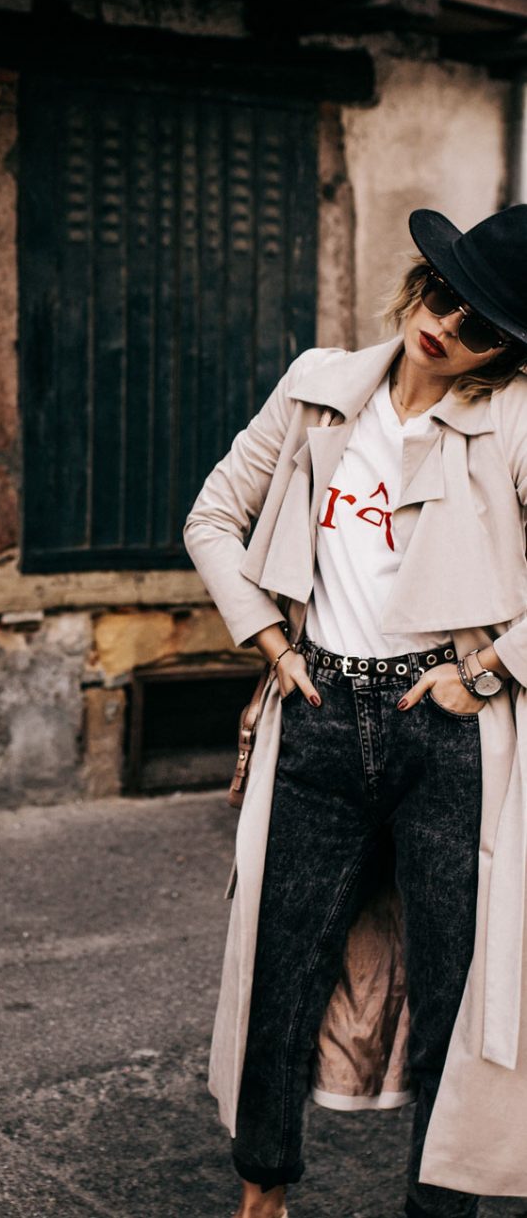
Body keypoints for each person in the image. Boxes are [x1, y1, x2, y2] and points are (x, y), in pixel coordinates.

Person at [184, 205, 527, 1218]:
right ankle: (261, 1189)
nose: (444, 326)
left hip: (446, 727)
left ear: (507, 348)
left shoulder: (514, 419)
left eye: (479, 323)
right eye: (442, 294)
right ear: (420, 281)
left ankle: (438, 1208)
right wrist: (269, 639)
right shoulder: (318, 386)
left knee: (449, 984)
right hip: (321, 706)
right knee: (282, 962)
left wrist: (486, 672)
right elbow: (213, 516)